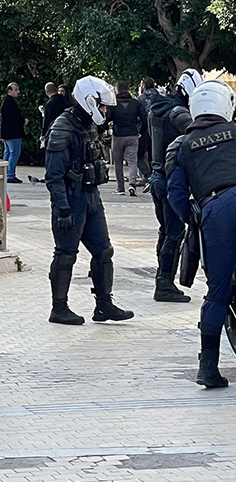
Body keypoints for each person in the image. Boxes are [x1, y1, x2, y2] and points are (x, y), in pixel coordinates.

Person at [166, 79, 236, 388]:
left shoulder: (181, 146)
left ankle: (208, 368)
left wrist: (193, 217)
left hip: (214, 213)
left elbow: (175, 194)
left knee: (217, 293)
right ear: (226, 107)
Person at [44, 76, 135, 325]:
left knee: (104, 251)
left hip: (91, 197)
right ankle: (59, 308)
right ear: (90, 102)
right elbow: (53, 175)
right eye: (102, 106)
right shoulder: (62, 128)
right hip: (71, 199)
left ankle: (104, 305)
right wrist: (63, 208)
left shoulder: (88, 125)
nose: (104, 111)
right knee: (65, 255)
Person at [147, 68, 203, 303]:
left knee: (166, 230)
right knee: (174, 232)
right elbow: (195, 136)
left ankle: (162, 278)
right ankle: (164, 283)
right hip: (170, 179)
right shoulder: (178, 113)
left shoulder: (156, 109)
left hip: (156, 176)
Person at [105, 81, 147, 196]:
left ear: (117, 90)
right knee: (132, 161)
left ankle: (120, 188)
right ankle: (132, 184)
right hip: (132, 135)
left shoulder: (113, 104)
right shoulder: (136, 103)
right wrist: (140, 131)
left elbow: (107, 118)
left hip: (118, 136)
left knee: (118, 162)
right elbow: (144, 118)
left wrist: (109, 125)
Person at [2, 82, 28, 183]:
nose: (18, 92)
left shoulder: (6, 101)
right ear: (9, 90)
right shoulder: (10, 103)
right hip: (13, 133)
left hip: (7, 133)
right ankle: (10, 174)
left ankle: (5, 173)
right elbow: (14, 118)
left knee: (8, 152)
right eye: (16, 90)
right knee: (14, 153)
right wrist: (23, 121)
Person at [136, 77, 160, 187]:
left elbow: (138, 116)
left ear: (144, 86)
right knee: (154, 155)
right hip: (158, 128)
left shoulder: (140, 99)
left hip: (144, 130)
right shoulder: (160, 97)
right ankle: (156, 177)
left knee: (139, 155)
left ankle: (148, 176)